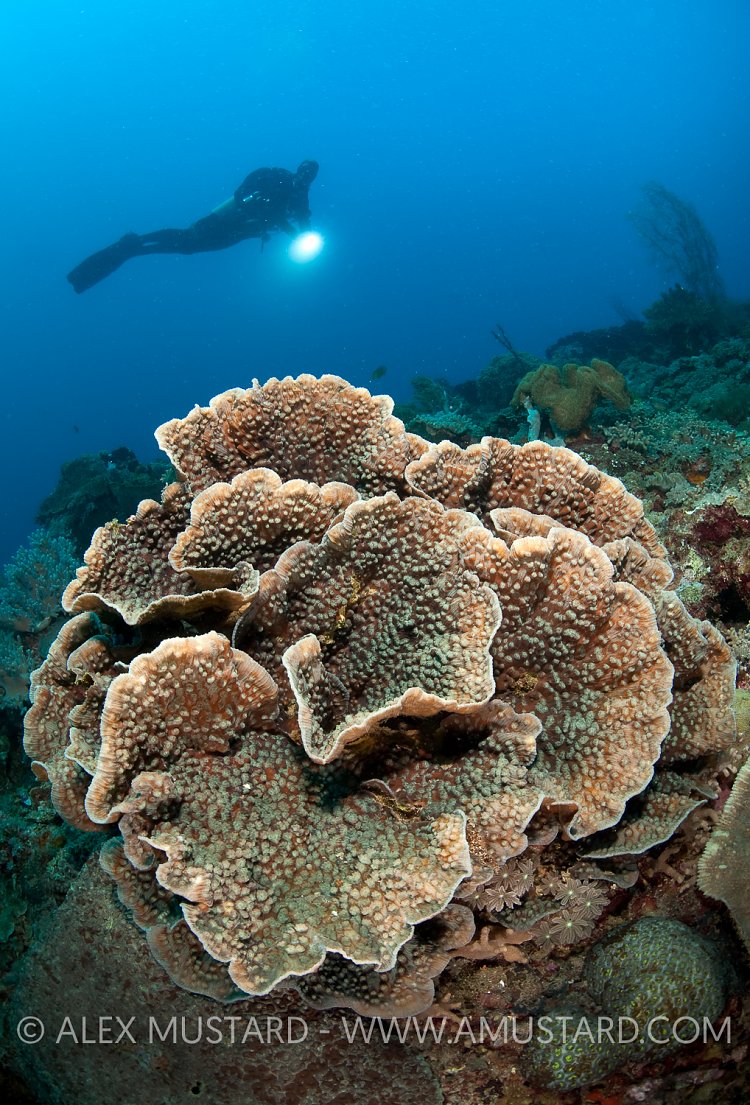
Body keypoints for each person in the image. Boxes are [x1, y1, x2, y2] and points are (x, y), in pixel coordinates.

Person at [67, 160, 319, 293]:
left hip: (241, 233)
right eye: (304, 173)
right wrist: (257, 210)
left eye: (310, 177)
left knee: (188, 248)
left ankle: (135, 249)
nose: (305, 178)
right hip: (226, 219)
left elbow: (301, 218)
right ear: (299, 169)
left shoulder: (299, 197)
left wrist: (305, 235)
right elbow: (241, 192)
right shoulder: (273, 177)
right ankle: (137, 242)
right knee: (188, 238)